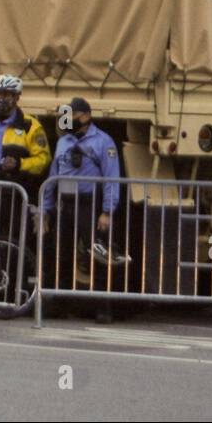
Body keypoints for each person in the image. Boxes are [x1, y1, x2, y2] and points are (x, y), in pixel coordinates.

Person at [43, 97, 125, 318]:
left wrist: (107, 211)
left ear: (86, 116)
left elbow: (111, 178)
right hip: (65, 204)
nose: (68, 120)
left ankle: (102, 307)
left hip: (89, 204)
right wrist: (46, 210)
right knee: (62, 253)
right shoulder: (64, 141)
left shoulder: (102, 141)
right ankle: (61, 304)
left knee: (97, 255)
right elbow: (54, 175)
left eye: (73, 116)